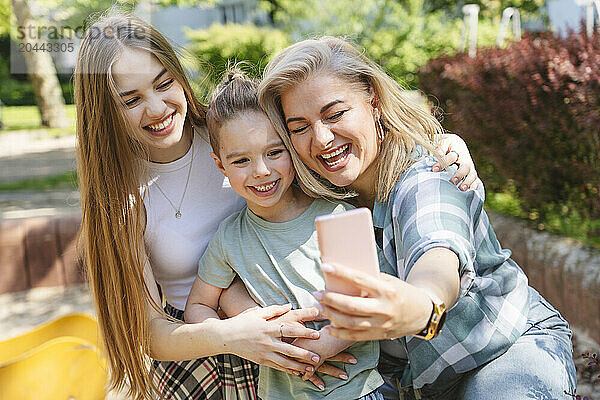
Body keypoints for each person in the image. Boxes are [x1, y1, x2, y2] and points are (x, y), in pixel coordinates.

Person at [74, 13, 479, 400]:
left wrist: (441, 147)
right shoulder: (120, 201)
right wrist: (234, 332)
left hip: (315, 338)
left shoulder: (238, 133)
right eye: (131, 99)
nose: (158, 108)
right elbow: (149, 332)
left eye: (164, 84)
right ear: (105, 110)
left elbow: (335, 136)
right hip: (205, 347)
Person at [258, 36, 577, 399]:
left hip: (504, 349)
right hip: (410, 383)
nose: (321, 138)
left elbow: (437, 258)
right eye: (299, 127)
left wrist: (420, 307)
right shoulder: (308, 199)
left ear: (373, 103)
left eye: (335, 114)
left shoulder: (431, 174)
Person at [184, 70, 383, 400]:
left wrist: (316, 350)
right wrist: (244, 331)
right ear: (220, 166)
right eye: (241, 160)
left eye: (274, 152)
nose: (261, 171)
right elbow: (198, 306)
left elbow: (368, 301)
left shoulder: (335, 213)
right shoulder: (229, 238)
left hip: (357, 390)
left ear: (292, 146)